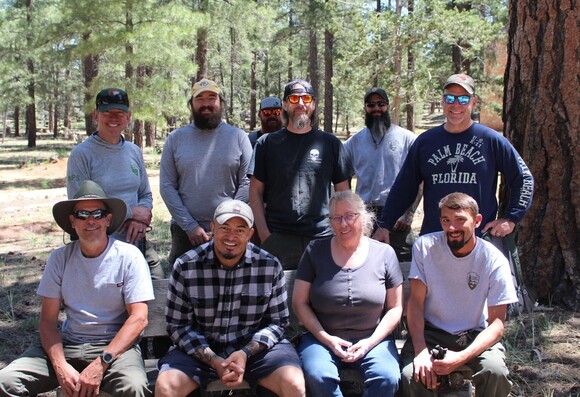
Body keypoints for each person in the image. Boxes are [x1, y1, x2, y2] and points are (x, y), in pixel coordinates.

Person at [0, 180, 154, 397]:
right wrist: (60, 365)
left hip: (115, 349)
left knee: (134, 387)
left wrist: (102, 363)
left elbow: (139, 318)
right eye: (82, 214)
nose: (90, 221)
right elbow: (47, 321)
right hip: (68, 344)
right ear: (72, 222)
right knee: (5, 382)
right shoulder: (59, 258)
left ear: (108, 220)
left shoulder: (129, 257)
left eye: (97, 214)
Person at [154, 199, 305, 397]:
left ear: (250, 234)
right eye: (225, 228)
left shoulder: (269, 266)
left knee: (294, 383)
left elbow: (278, 323)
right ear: (213, 228)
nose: (231, 236)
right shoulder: (186, 265)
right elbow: (177, 325)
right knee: (166, 387)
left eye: (240, 230)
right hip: (201, 352)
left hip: (254, 351)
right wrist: (213, 359)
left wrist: (245, 353)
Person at [374, 74, 534, 244]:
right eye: (450, 98)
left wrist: (510, 219)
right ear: (443, 101)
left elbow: (524, 179)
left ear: (474, 102)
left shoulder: (491, 140)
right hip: (434, 241)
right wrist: (385, 224)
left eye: (463, 99)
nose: (456, 104)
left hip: (477, 242)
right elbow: (404, 187)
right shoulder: (425, 142)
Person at [399, 192, 518, 396]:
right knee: (412, 376)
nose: (452, 228)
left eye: (460, 220)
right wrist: (420, 351)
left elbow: (497, 324)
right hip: (431, 332)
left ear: (477, 221)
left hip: (474, 335)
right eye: (446, 220)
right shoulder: (425, 247)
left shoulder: (493, 259)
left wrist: (461, 357)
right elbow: (416, 304)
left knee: (494, 371)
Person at [293, 190, 403, 397]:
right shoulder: (315, 250)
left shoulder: (384, 254)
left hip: (373, 339)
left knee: (386, 377)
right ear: (330, 222)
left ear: (364, 217)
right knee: (319, 376)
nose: (343, 224)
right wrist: (326, 338)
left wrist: (370, 342)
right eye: (337, 218)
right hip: (321, 339)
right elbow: (299, 303)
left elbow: (396, 307)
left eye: (350, 216)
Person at [249, 79, 355, 270]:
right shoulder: (267, 144)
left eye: (306, 98)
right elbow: (255, 191)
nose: (300, 104)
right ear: (285, 104)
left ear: (313, 105)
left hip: (323, 238)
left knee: (323, 297)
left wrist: (341, 230)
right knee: (279, 299)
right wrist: (265, 235)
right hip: (279, 239)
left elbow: (344, 193)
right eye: (294, 98)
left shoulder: (330, 143)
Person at [66, 88, 164, 279]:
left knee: (158, 283)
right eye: (107, 112)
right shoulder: (82, 155)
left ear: (128, 117)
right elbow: (80, 206)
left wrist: (139, 219)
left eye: (119, 113)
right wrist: (131, 212)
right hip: (99, 244)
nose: (113, 118)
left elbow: (144, 193)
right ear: (96, 115)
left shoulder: (133, 151)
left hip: (136, 240)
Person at [160, 78, 252, 267]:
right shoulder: (175, 139)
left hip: (230, 231)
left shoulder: (238, 137)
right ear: (191, 104)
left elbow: (247, 182)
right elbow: (167, 186)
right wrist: (190, 226)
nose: (206, 103)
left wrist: (224, 224)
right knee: (182, 287)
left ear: (221, 103)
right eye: (199, 98)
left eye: (212, 97)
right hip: (185, 233)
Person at [344, 87, 422, 262]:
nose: (376, 108)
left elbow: (421, 180)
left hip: (398, 215)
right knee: (364, 265)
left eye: (381, 104)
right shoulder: (353, 143)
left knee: (403, 264)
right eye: (371, 104)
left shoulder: (407, 139)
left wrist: (408, 214)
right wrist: (351, 212)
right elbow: (342, 180)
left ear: (388, 106)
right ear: (365, 108)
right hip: (365, 215)